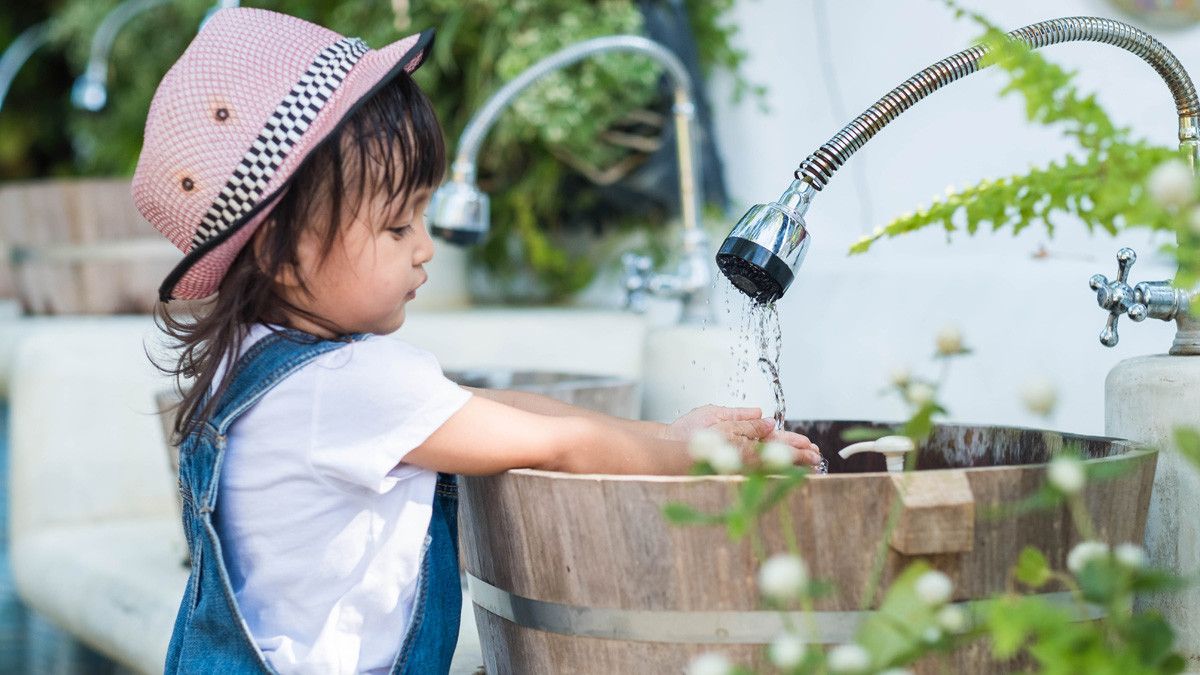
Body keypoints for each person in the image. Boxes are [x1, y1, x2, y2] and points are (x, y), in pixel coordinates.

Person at [133, 8, 821, 675]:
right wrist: (695, 455)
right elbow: (554, 444)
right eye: (397, 227)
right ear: (285, 253)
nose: (425, 248)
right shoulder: (352, 384)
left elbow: (493, 410)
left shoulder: (255, 361)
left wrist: (659, 430)